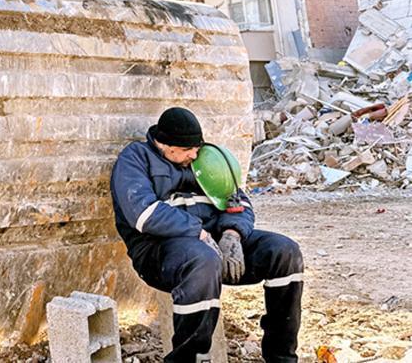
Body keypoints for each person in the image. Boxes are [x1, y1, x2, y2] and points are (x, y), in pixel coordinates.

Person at [110, 107, 303, 363]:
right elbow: (144, 214)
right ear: (165, 145)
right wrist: (197, 232)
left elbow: (238, 200)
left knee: (285, 251)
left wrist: (232, 234)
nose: (195, 154)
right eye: (188, 150)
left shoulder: (205, 158)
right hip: (160, 254)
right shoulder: (136, 158)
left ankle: (282, 357)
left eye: (197, 147)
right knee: (203, 260)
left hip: (216, 244)